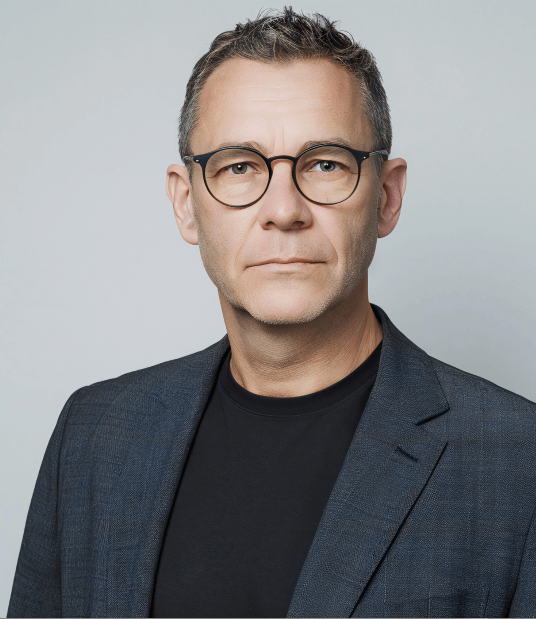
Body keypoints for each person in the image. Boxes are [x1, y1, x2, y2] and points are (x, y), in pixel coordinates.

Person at [8, 8, 536, 619]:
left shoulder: (516, 460)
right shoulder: (93, 437)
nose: (284, 210)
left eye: (325, 163)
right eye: (239, 166)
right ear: (186, 204)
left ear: (387, 197)